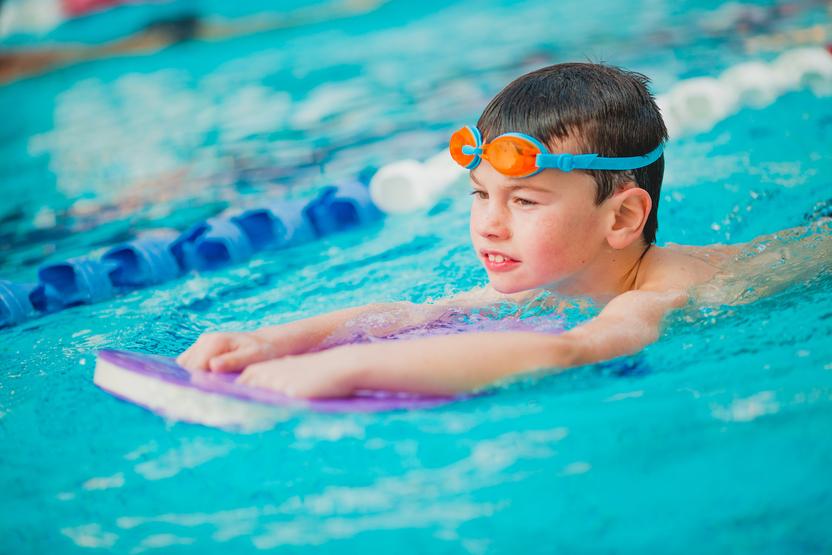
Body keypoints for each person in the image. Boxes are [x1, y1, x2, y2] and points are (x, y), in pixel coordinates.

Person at [176, 62, 831, 398]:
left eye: (525, 201)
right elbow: (415, 312)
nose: (489, 222)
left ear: (623, 217)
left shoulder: (653, 297)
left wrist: (352, 369)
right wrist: (269, 340)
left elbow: (568, 353)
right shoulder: (559, 278)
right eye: (479, 194)